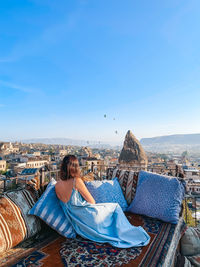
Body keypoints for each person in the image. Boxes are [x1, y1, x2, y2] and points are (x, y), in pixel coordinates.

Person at [55, 155, 150, 248]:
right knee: (115, 207)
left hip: (79, 225)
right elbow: (91, 201)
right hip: (89, 217)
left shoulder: (57, 185)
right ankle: (125, 231)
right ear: (75, 167)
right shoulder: (76, 181)